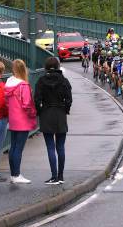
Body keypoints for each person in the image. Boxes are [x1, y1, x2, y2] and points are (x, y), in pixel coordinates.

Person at [34, 57, 72, 185]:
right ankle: (61, 176)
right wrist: (65, 110)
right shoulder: (64, 81)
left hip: (46, 114)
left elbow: (37, 100)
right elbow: (69, 99)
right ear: (58, 66)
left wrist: (40, 112)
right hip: (60, 114)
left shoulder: (41, 81)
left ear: (46, 67)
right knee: (60, 147)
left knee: (50, 147)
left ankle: (53, 176)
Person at [4, 59, 37, 184]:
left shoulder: (8, 84)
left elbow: (7, 103)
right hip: (23, 120)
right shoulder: (23, 85)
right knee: (19, 148)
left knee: (13, 147)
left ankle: (13, 174)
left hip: (13, 119)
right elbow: (27, 104)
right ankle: (17, 175)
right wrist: (33, 114)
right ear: (24, 70)